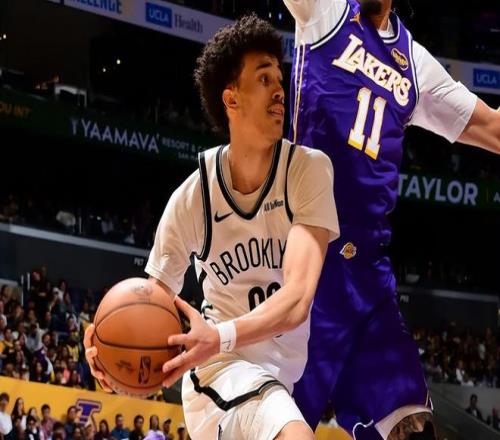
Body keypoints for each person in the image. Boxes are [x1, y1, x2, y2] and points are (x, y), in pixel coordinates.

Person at [85, 13, 339, 440]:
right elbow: (152, 302)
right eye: (263, 79)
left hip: (276, 375)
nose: (280, 90)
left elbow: (298, 298)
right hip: (219, 373)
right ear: (231, 99)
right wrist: (106, 351)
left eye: (280, 79)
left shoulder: (308, 171)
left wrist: (217, 335)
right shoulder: (193, 197)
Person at [283, 0, 500, 439]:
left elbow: (490, 128)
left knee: (415, 431)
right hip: (304, 262)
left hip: (367, 277)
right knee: (277, 426)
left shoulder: (414, 62)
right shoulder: (325, 12)